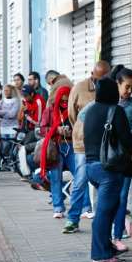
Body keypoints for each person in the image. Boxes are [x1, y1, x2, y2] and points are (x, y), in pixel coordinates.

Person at [83, 77, 132, 262]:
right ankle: (101, 255)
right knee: (104, 213)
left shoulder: (90, 111)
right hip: (108, 170)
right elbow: (127, 140)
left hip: (91, 167)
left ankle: (107, 247)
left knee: (109, 209)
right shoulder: (116, 111)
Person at [62, 60, 111, 233]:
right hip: (83, 143)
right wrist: (84, 129)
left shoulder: (111, 87)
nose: (102, 82)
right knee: (80, 179)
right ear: (93, 75)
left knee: (104, 182)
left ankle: (101, 219)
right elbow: (72, 115)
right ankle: (73, 219)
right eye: (99, 79)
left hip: (104, 143)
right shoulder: (79, 88)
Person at [104, 65, 132, 252]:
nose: (129, 91)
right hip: (107, 156)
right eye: (127, 86)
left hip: (126, 157)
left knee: (122, 197)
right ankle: (105, 235)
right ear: (117, 84)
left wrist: (126, 135)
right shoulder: (106, 102)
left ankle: (117, 236)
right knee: (107, 196)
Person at [42, 86, 77, 219]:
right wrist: (56, 130)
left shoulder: (74, 109)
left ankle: (85, 207)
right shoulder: (50, 110)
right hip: (56, 147)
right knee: (56, 178)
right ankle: (58, 207)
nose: (64, 102)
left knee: (80, 176)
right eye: (62, 99)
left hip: (71, 145)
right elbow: (42, 129)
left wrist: (70, 131)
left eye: (67, 99)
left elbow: (79, 127)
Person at [0, 84, 21, 174]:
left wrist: (1, 113)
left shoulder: (16, 101)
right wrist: (5, 112)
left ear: (12, 91)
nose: (5, 92)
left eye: (7, 90)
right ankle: (1, 165)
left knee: (8, 147)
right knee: (2, 147)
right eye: (5, 90)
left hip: (12, 128)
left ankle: (7, 165)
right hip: (3, 127)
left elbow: (12, 114)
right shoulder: (2, 101)